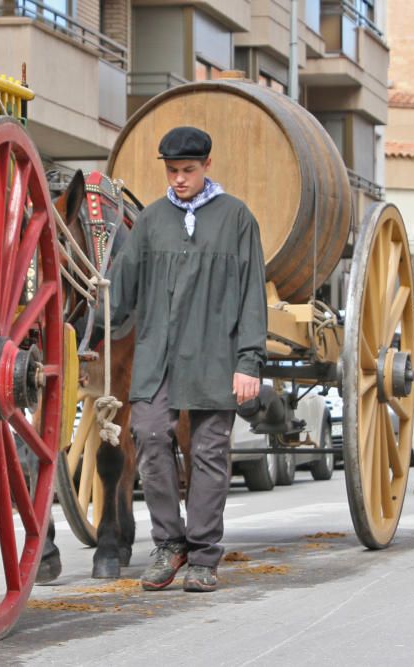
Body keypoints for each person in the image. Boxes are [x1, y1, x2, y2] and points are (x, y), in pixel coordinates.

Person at [108, 126, 267, 592]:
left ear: (207, 166)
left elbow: (252, 296)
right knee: (149, 435)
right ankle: (169, 545)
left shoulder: (237, 219)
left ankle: (203, 556)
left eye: (188, 171)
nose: (179, 179)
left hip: (217, 359)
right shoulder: (152, 221)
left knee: (208, 453)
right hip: (158, 359)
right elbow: (120, 293)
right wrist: (84, 328)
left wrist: (249, 362)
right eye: (172, 171)